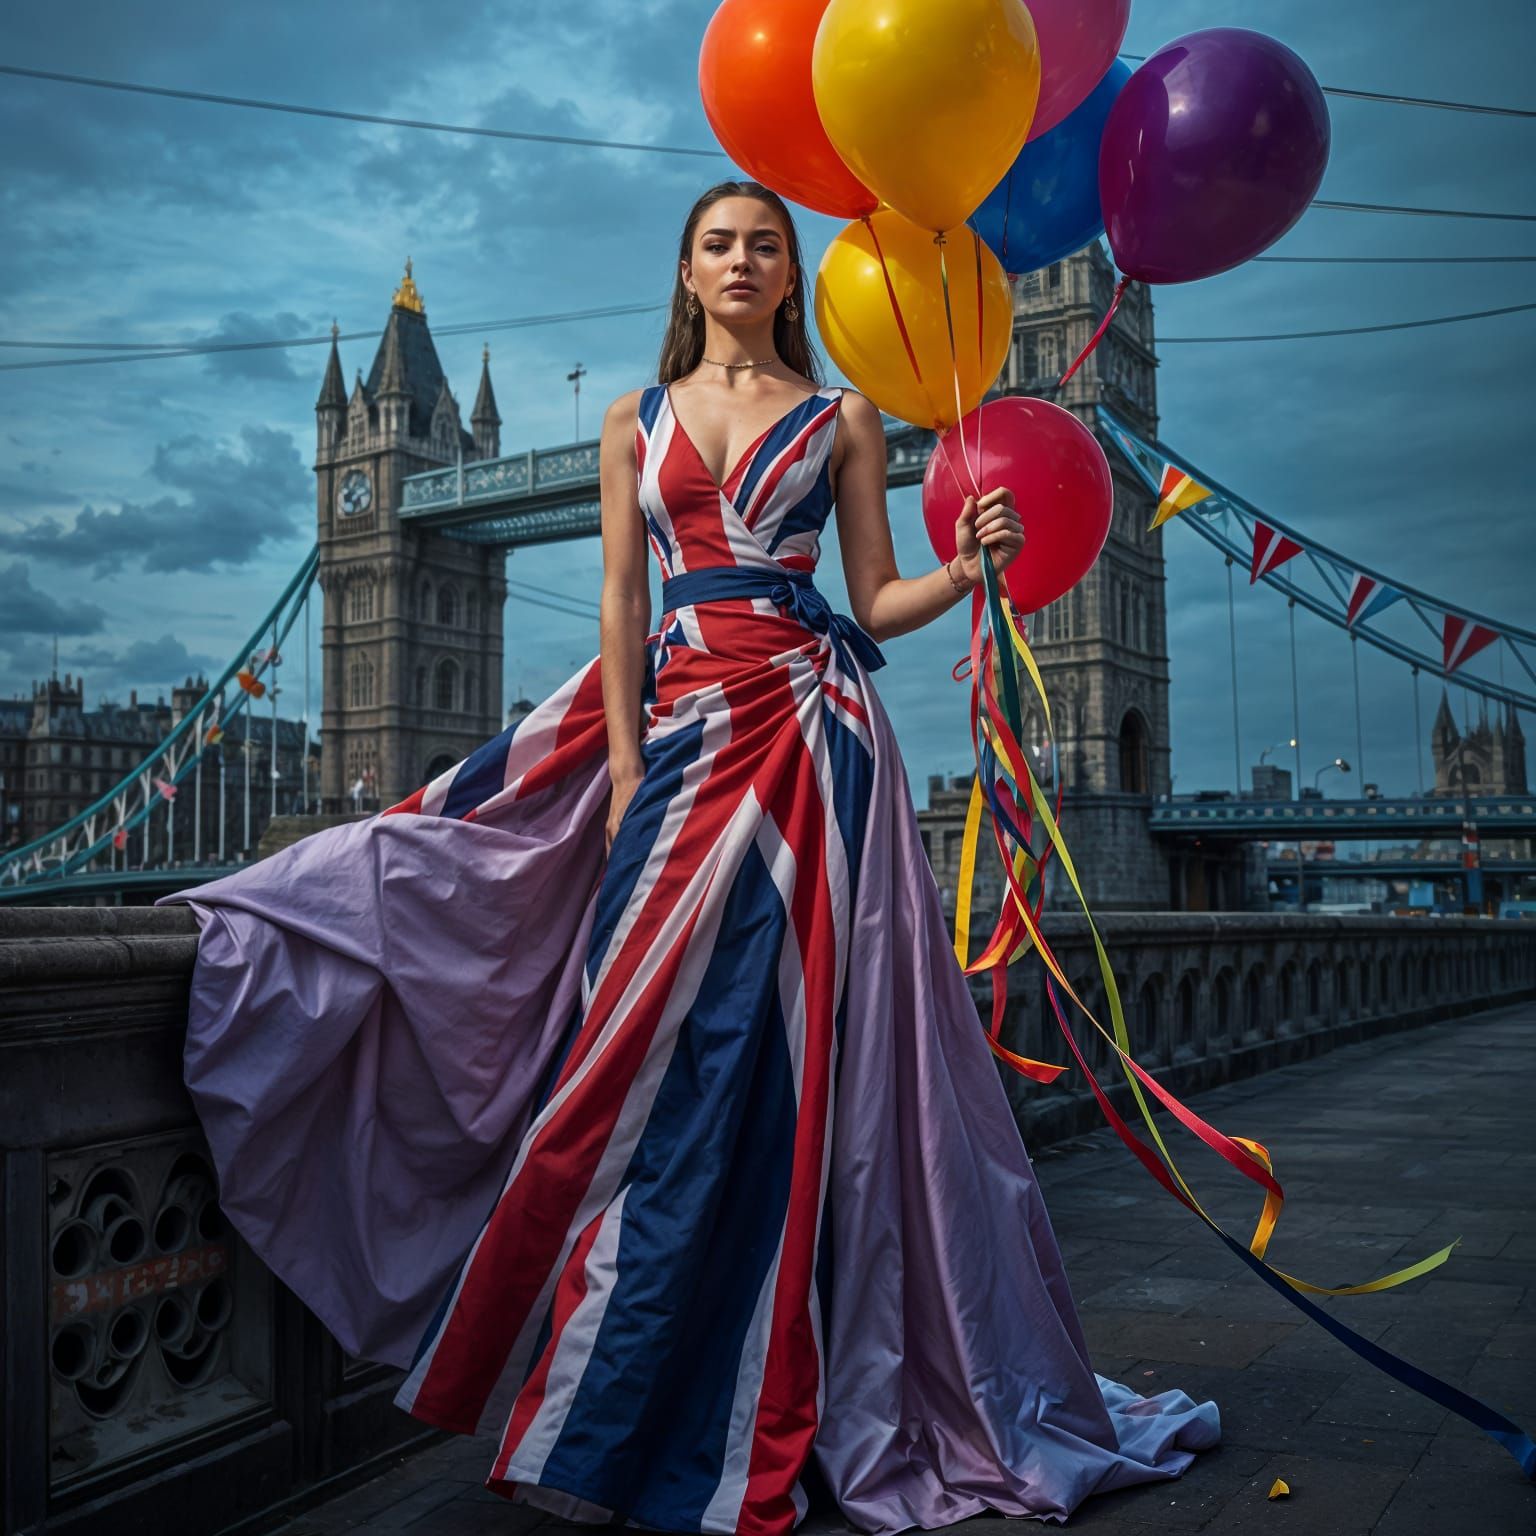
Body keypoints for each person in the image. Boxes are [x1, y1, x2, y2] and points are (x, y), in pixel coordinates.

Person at [160, 179, 1218, 1535]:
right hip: (674, 744)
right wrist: (618, 769)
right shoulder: (631, 421)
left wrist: (965, 568)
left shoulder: (846, 417)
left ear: (791, 275)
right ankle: (616, 1404)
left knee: (785, 1072)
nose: (741, 261)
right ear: (687, 269)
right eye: (719, 243)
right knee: (625, 1067)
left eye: (765, 245)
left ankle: (748, 1397)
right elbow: (620, 598)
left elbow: (876, 598)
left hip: (813, 743)